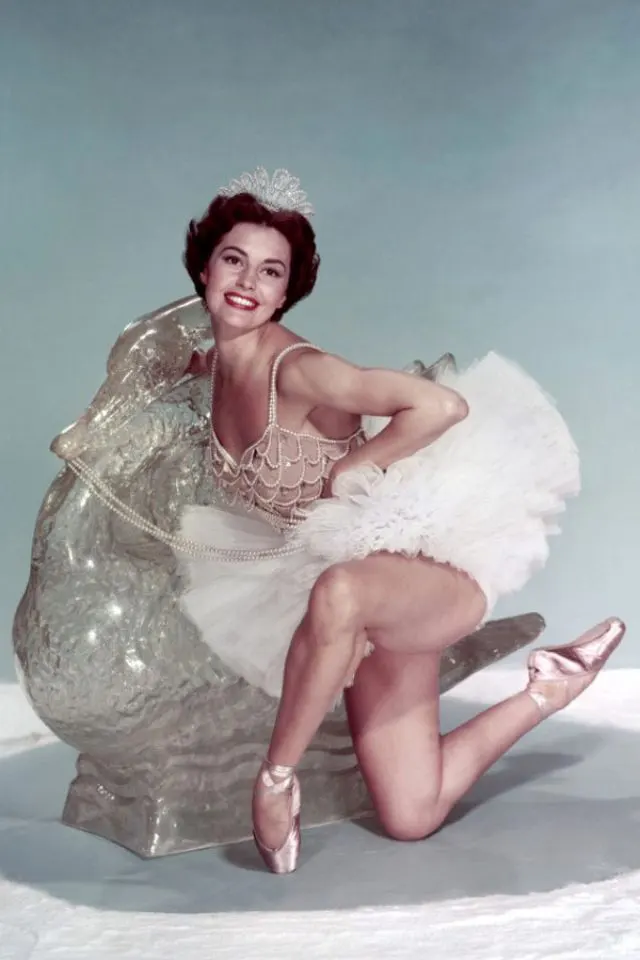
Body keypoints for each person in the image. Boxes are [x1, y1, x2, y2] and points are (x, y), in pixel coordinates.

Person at [174, 167, 625, 875]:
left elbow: (441, 407)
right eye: (234, 260)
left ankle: (275, 781)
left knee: (340, 593)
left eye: (271, 272)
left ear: (287, 292)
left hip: (424, 571)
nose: (248, 283)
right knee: (412, 814)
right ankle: (551, 686)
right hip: (354, 596)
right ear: (204, 267)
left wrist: (355, 467)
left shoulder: (301, 370)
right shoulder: (217, 365)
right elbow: (195, 364)